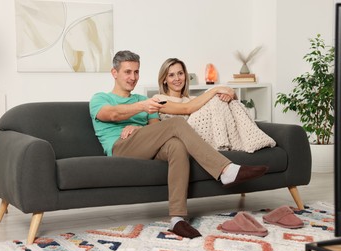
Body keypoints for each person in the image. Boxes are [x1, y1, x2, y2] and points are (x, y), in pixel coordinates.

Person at [89, 50, 268, 239]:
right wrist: (142, 108)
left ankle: (177, 219)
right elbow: (112, 114)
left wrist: (215, 89)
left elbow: (177, 114)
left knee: (176, 145)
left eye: (136, 72)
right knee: (176, 123)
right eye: (127, 72)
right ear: (114, 73)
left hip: (145, 146)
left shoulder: (145, 100)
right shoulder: (100, 98)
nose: (133, 77)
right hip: (121, 147)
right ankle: (225, 171)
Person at [153, 58, 276, 153]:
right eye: (171, 75)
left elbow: (233, 104)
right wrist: (216, 90)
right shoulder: (158, 99)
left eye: (180, 73)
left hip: (203, 136)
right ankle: (227, 142)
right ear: (164, 79)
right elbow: (187, 108)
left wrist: (230, 95)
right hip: (182, 139)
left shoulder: (192, 99)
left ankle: (245, 139)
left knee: (219, 99)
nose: (177, 78)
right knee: (215, 97)